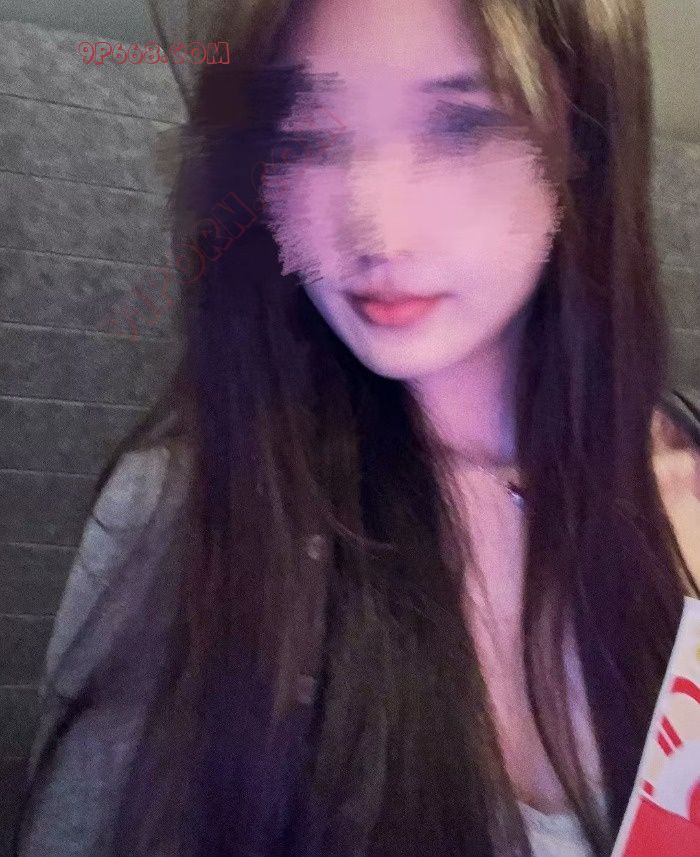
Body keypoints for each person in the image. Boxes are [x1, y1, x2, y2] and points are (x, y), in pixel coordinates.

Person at [13, 0, 700, 855]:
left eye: (461, 126)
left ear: (586, 150)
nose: (375, 228)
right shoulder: (189, 515)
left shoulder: (685, 498)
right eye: (306, 135)